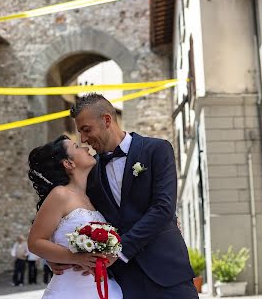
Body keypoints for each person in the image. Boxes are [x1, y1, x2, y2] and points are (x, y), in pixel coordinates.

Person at [49, 93, 198, 299]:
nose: (83, 139)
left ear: (107, 120)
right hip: (122, 282)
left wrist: (118, 251)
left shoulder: (157, 149)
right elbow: (70, 212)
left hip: (167, 272)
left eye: (86, 129)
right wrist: (60, 255)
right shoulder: (90, 171)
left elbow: (163, 208)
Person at [27, 135, 123, 299]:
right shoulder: (60, 194)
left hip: (103, 287)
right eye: (77, 147)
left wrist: (110, 254)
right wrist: (75, 258)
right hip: (71, 290)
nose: (85, 147)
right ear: (68, 163)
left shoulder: (91, 197)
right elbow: (35, 242)